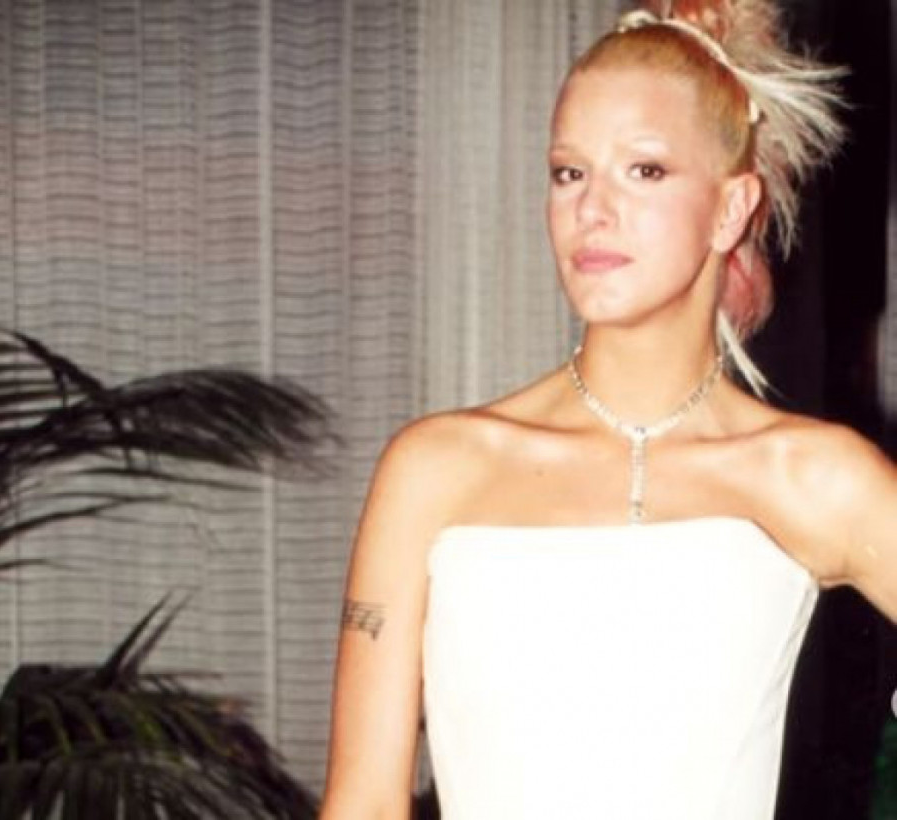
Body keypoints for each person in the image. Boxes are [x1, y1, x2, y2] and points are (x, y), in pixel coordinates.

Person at [319, 0, 897, 817]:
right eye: (570, 172)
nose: (592, 209)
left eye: (644, 170)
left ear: (731, 208)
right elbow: (363, 805)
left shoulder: (811, 477)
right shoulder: (435, 469)